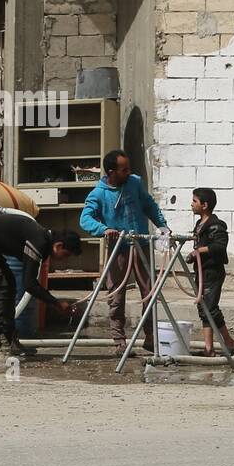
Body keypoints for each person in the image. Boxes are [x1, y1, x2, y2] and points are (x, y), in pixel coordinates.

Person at [0, 211, 81, 370]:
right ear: (58, 246)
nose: (64, 260)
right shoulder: (39, 241)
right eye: (66, 255)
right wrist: (56, 303)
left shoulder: (40, 239)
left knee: (8, 284)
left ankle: (7, 341)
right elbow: (30, 284)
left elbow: (28, 282)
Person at [79, 149, 168, 356]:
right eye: (124, 169)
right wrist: (104, 229)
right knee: (116, 296)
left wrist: (163, 227)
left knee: (149, 293)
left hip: (142, 245)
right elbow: (85, 219)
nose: (128, 172)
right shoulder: (99, 193)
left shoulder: (134, 183)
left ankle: (150, 337)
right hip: (119, 248)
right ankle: (119, 342)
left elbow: (150, 206)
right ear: (111, 172)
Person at [186, 188, 234, 358]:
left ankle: (228, 342)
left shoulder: (216, 225)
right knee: (204, 308)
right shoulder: (199, 224)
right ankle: (209, 348)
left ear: (204, 205)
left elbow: (219, 246)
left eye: (194, 201)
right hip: (201, 271)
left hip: (212, 272)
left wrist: (199, 251)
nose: (192, 204)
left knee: (210, 307)